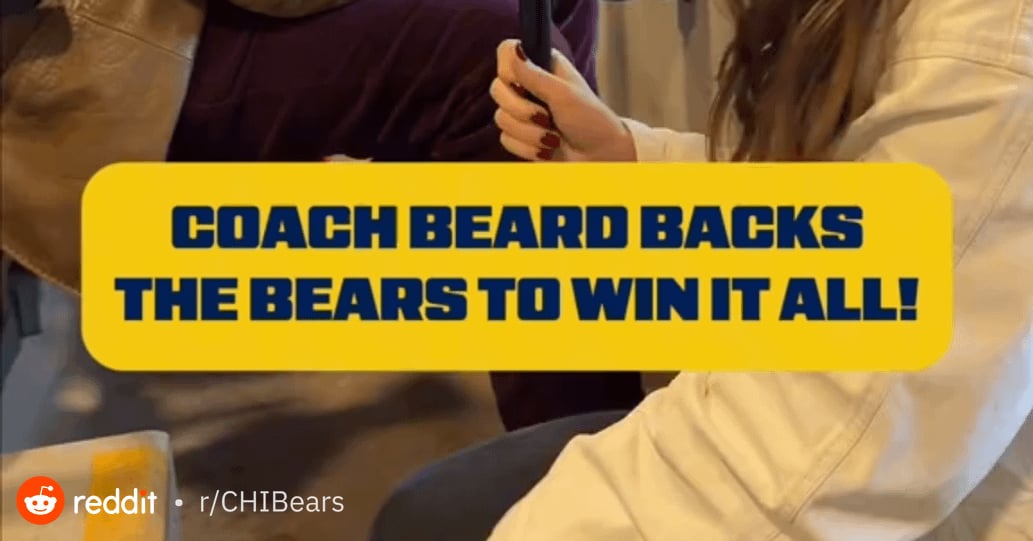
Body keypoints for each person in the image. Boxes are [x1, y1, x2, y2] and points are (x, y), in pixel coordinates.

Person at [370, 0, 1033, 538]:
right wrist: (633, 163)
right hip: (821, 438)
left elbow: (805, 468)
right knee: (429, 511)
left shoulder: (987, 58)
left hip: (911, 499)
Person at [3, 0, 642, 426]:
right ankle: (577, 468)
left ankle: (504, 282)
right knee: (490, 56)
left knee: (539, 29)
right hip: (70, 47)